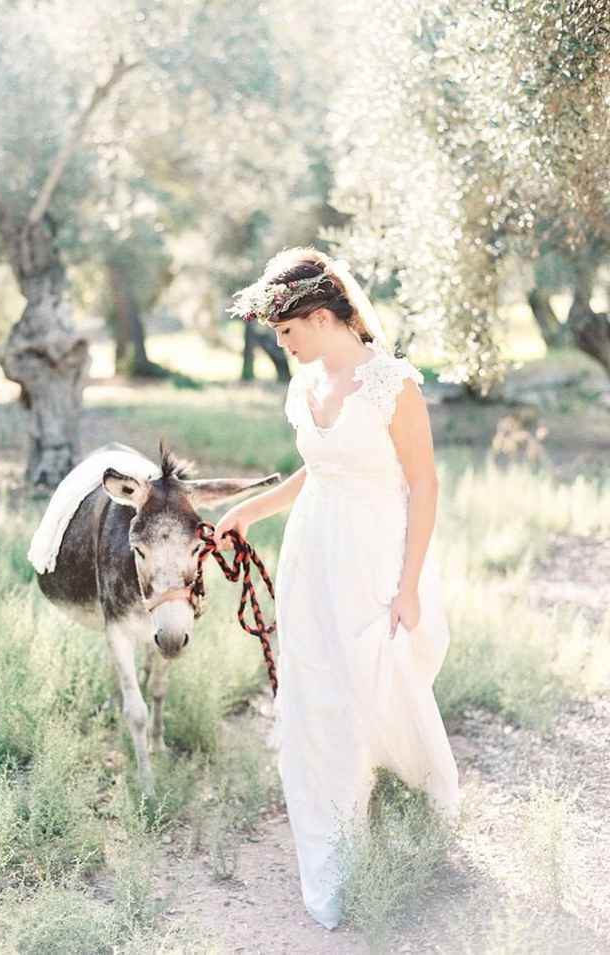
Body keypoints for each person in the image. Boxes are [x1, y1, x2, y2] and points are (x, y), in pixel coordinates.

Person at [213, 247, 461, 931]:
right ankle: (332, 838)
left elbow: (424, 482)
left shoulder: (392, 385)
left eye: (288, 332)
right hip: (310, 556)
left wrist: (409, 585)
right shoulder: (306, 386)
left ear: (320, 315)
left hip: (374, 555)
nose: (283, 346)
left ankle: (410, 803)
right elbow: (315, 471)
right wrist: (249, 511)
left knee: (372, 684)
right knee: (317, 692)